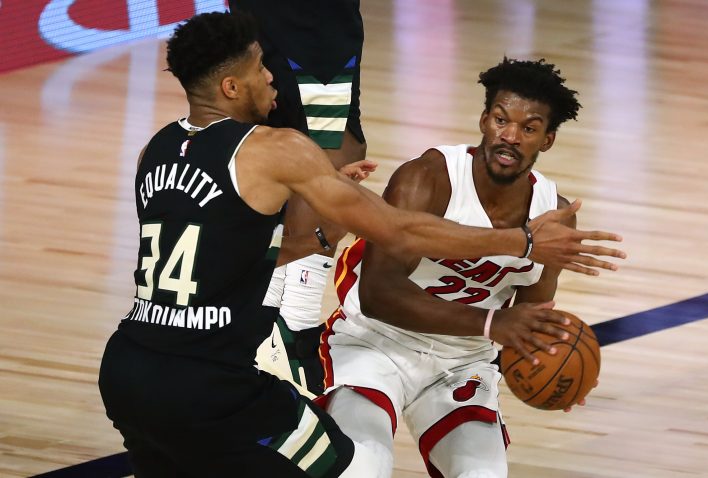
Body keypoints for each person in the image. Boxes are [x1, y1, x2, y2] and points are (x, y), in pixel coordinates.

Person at [98, 13, 624, 477]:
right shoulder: (280, 148)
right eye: (261, 67)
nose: (272, 75)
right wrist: (525, 242)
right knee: (348, 466)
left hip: (128, 369)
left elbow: (231, 249)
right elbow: (396, 231)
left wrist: (327, 225)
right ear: (232, 87)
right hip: (218, 381)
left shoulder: (156, 149)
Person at [321, 58, 598, 478]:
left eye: (529, 128)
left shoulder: (554, 216)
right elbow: (377, 295)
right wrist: (491, 323)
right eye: (502, 119)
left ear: (548, 139)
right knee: (362, 468)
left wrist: (559, 367)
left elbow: (527, 321)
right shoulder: (426, 178)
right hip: (375, 344)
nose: (510, 136)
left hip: (463, 363)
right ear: (485, 119)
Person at [228, 0, 367, 395]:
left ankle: (268, 317)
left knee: (270, 137)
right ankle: (294, 325)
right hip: (310, 20)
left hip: (278, 18)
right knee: (327, 148)